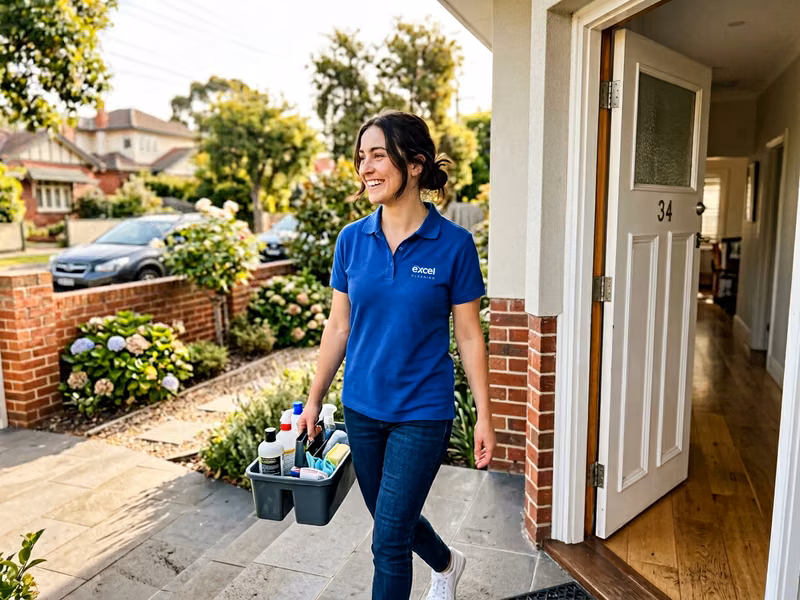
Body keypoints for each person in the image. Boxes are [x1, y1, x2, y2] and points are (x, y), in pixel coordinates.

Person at [297, 110, 496, 600]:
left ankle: (439, 569)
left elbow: (469, 335)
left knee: (387, 540)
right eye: (361, 157)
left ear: (415, 164)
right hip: (362, 407)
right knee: (394, 517)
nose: (365, 167)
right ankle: (448, 564)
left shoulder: (454, 245)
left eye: (378, 155)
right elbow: (338, 325)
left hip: (421, 412)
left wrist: (485, 417)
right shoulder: (351, 240)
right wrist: (314, 399)